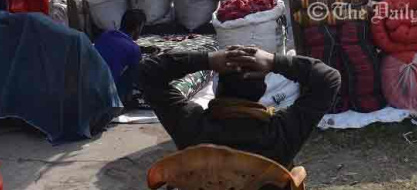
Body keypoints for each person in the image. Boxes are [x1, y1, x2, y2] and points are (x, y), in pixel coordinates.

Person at [138, 46, 340, 168]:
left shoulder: (190, 123)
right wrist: (273, 61)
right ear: (261, 91)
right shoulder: (282, 131)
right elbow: (329, 78)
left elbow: (147, 72)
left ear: (218, 88)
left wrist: (207, 59)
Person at [94, 9, 146, 105]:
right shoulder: (134, 49)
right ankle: (125, 100)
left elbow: (116, 49)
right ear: (138, 28)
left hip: (90, 86)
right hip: (108, 95)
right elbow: (136, 78)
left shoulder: (105, 35)